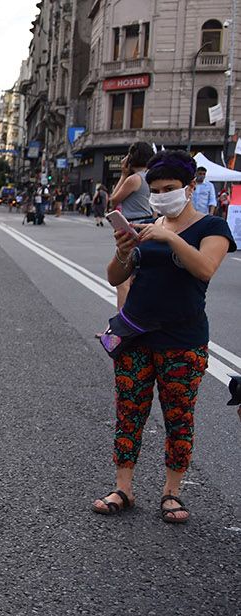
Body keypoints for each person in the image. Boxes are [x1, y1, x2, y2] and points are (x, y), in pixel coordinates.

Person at [95, 149, 236, 524]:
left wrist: (169, 238)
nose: (161, 196)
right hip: (135, 336)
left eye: (169, 188)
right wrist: (123, 251)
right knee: (129, 414)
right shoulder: (149, 224)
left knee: (178, 417)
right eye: (156, 190)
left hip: (182, 341)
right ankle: (123, 487)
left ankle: (171, 493)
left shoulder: (212, 228)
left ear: (191, 187)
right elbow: (115, 277)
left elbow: (205, 269)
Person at [110, 141, 155, 307]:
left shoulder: (134, 179)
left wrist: (123, 174)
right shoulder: (150, 177)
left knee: (122, 280)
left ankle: (121, 326)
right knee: (136, 276)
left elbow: (113, 200)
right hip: (148, 223)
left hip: (133, 226)